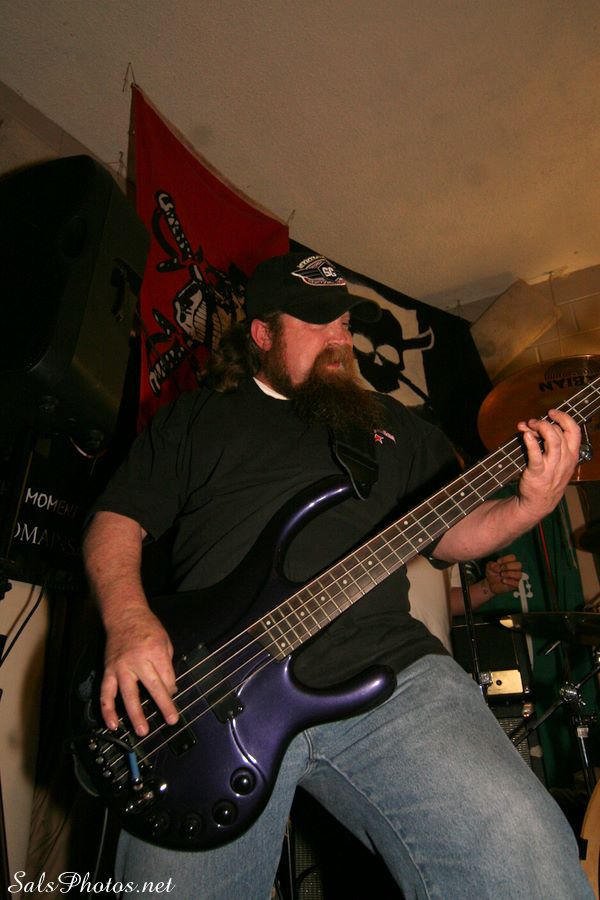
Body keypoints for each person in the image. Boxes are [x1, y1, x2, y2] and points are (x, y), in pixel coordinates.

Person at [82, 252, 592, 899]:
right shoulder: (198, 417)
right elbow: (116, 519)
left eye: (344, 323)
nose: (339, 339)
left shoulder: (393, 425)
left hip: (389, 675)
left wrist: (528, 506)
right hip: (211, 690)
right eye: (317, 322)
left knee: (523, 849)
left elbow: (451, 532)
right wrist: (130, 622)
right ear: (262, 333)